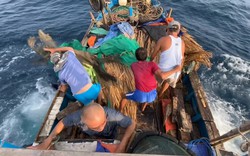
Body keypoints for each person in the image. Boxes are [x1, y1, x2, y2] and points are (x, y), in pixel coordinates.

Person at [28, 103, 136, 153]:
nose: (101, 127)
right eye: (96, 126)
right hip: (93, 137)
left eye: (103, 122)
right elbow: (63, 122)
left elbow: (132, 123)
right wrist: (48, 140)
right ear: (83, 122)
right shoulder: (77, 118)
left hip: (112, 134)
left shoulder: (113, 115)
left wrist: (122, 145)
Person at [120, 47, 171, 112]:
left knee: (124, 96)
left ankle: (119, 111)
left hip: (140, 95)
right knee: (147, 97)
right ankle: (142, 109)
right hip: (152, 96)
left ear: (136, 57)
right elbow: (160, 74)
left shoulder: (133, 65)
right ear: (147, 56)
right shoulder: (152, 64)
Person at [150, 20, 185, 98]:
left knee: (154, 82)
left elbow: (153, 55)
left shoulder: (162, 39)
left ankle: (152, 95)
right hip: (175, 73)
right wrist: (179, 70)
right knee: (168, 82)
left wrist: (149, 62)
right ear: (178, 31)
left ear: (168, 29)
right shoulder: (182, 43)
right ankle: (161, 94)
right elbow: (182, 58)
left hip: (163, 71)